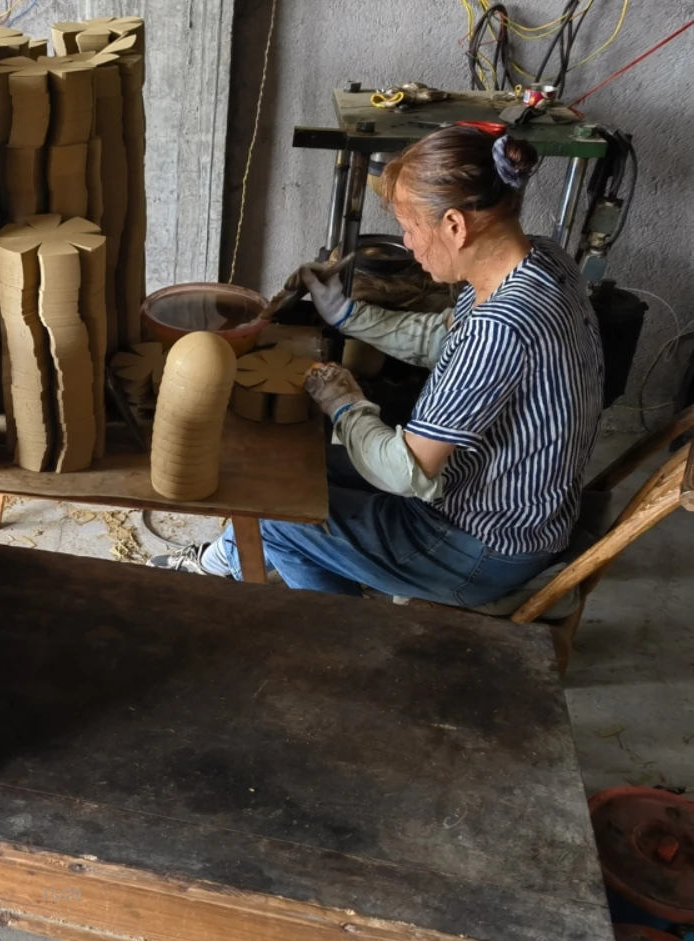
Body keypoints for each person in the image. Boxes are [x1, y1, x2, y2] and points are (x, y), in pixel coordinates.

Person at [150, 127, 605, 608]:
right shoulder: (542, 260)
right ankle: (226, 561)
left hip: (480, 547)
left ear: (455, 225)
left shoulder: (501, 329)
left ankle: (352, 634)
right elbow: (444, 339)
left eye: (410, 226)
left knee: (277, 516)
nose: (408, 243)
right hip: (518, 509)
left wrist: (344, 405)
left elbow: (405, 472)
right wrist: (344, 314)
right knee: (285, 470)